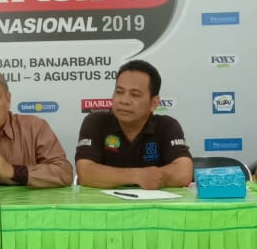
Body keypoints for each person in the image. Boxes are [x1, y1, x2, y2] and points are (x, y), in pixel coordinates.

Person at [75, 59, 193, 189]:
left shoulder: (167, 126)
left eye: (135, 95)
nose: (124, 100)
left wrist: (112, 176)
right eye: (119, 92)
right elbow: (85, 173)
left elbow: (184, 172)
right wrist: (138, 176)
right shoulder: (96, 122)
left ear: (154, 103)